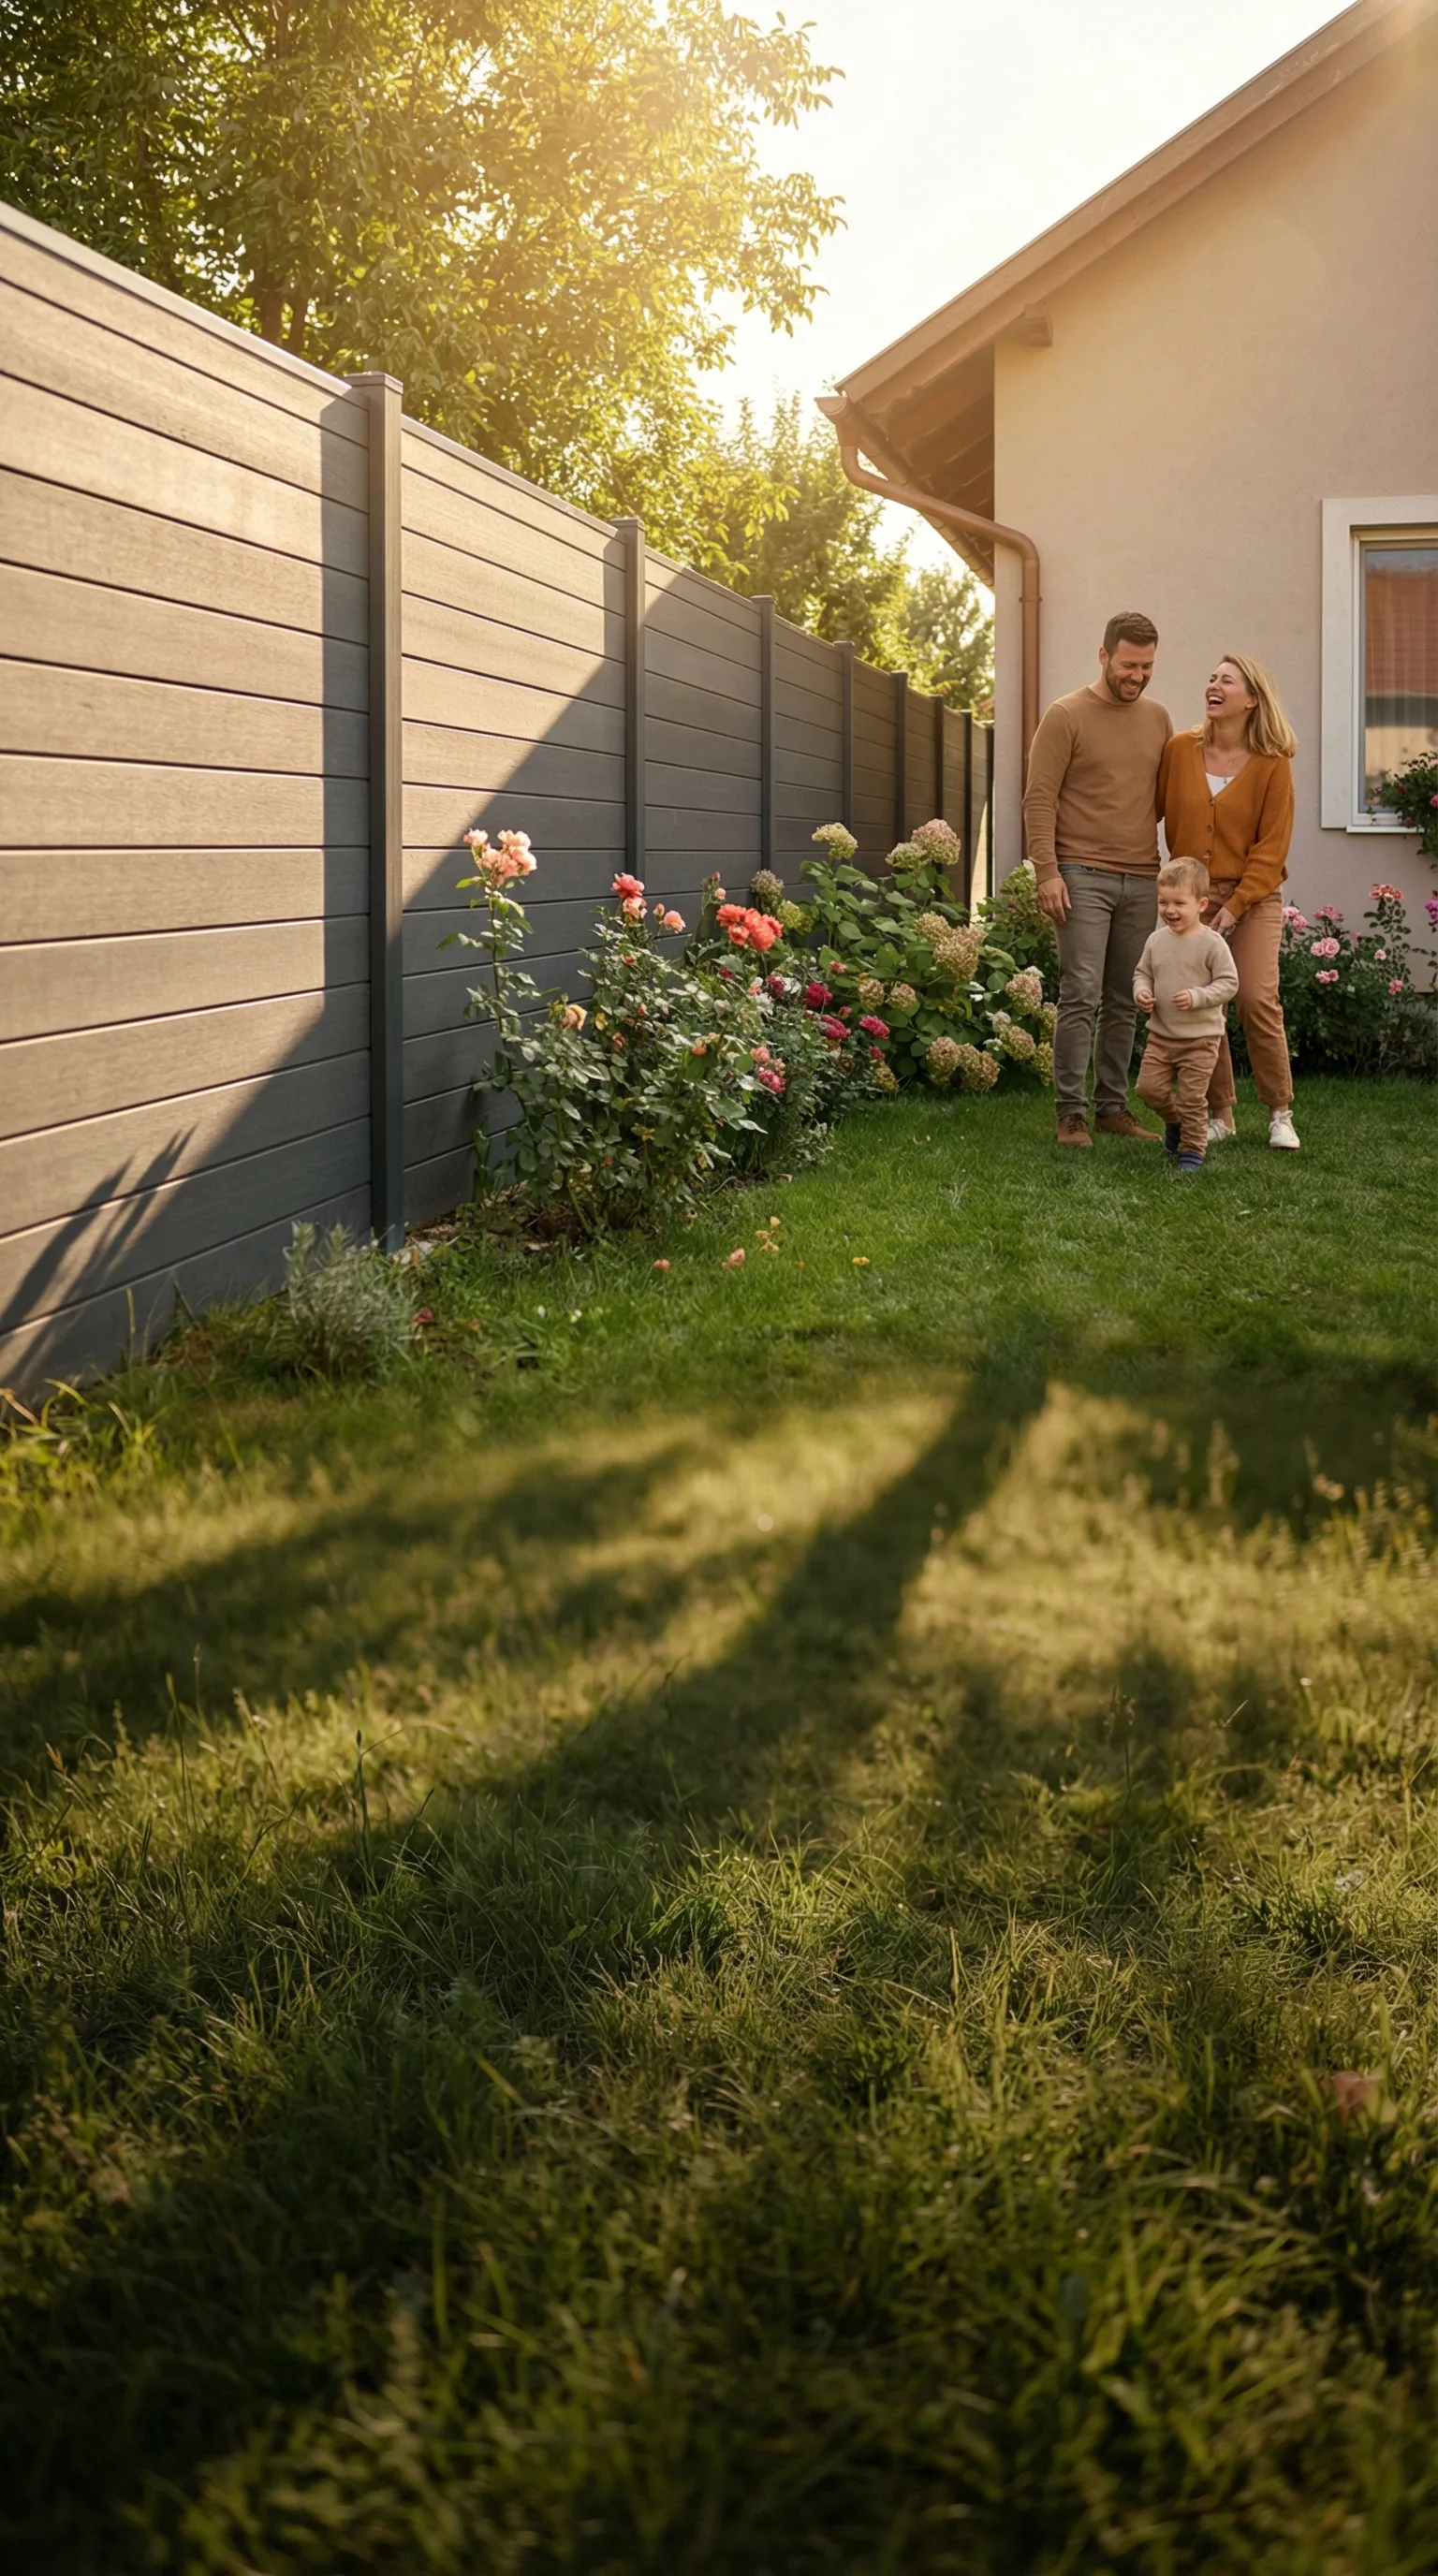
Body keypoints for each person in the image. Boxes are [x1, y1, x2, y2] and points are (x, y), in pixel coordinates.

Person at [1023, 611, 1172, 1146]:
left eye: (1148, 666)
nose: (1138, 675)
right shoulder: (1066, 715)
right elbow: (1038, 797)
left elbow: (1159, 798)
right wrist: (1048, 871)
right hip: (1080, 874)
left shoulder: (1158, 718)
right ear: (1105, 656)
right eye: (1129, 664)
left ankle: (1113, 1107)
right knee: (1080, 993)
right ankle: (1071, 1114)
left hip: (1141, 875)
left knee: (1126, 996)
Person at [1157, 653, 1300, 1151]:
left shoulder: (1272, 764)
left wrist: (1235, 906)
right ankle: (1220, 1114)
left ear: (1252, 698)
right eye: (1212, 678)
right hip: (1192, 898)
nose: (1214, 685)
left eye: (1227, 680)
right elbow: (1148, 808)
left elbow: (1272, 848)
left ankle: (1280, 1111)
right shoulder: (1179, 750)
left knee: (1255, 998)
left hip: (1255, 895)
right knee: (1201, 1002)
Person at [1133, 857, 1240, 1173]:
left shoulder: (1212, 944)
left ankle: (1192, 1150)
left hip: (1201, 1040)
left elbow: (1229, 983)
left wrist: (1198, 996)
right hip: (1161, 1036)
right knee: (1148, 1090)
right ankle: (1176, 1123)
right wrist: (1141, 991)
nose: (1170, 910)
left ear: (1201, 904)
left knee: (1193, 1098)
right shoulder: (1156, 940)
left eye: (1179, 902)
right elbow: (1143, 974)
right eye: (1163, 902)